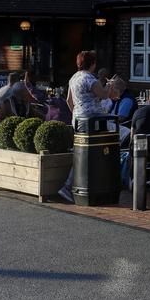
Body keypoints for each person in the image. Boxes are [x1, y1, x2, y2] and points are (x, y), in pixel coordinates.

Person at [59, 50, 109, 203]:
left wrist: (77, 114)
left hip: (79, 119)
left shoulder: (74, 78)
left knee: (81, 153)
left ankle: (75, 187)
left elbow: (68, 100)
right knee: (97, 153)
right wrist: (110, 86)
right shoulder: (90, 79)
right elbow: (104, 95)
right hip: (93, 121)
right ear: (92, 64)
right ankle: (71, 186)